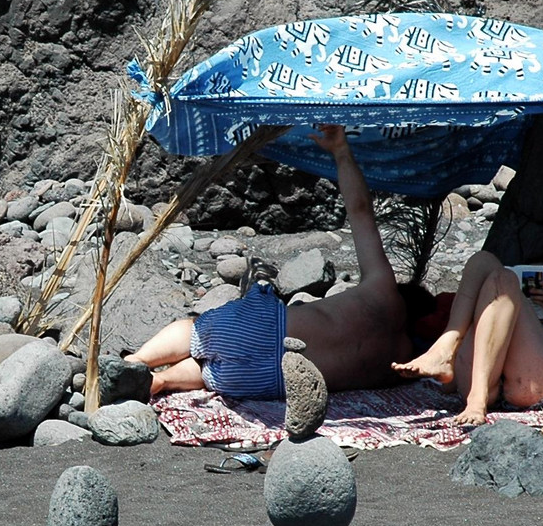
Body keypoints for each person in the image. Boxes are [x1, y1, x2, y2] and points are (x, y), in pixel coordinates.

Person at [130, 125, 414, 400]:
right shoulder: (403, 366)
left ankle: (136, 361)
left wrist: (340, 150)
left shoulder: (382, 290)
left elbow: (360, 211)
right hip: (271, 379)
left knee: (196, 331)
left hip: (269, 328)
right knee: (209, 373)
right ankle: (161, 381)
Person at [390, 251, 543, 425]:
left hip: (530, 383)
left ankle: (452, 358)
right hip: (481, 384)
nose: (531, 292)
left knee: (503, 278)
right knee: (483, 261)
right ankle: (449, 353)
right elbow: (448, 387)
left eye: (540, 286)